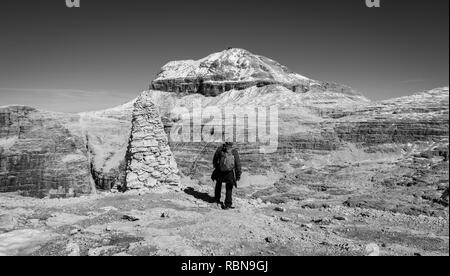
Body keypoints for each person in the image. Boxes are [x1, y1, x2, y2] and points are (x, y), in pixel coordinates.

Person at [212, 142, 242, 209]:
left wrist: (217, 168)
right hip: (229, 172)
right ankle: (228, 204)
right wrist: (238, 174)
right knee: (229, 187)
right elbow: (238, 164)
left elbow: (215, 160)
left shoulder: (220, 149)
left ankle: (217, 199)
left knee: (218, 184)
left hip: (220, 171)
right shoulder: (234, 151)